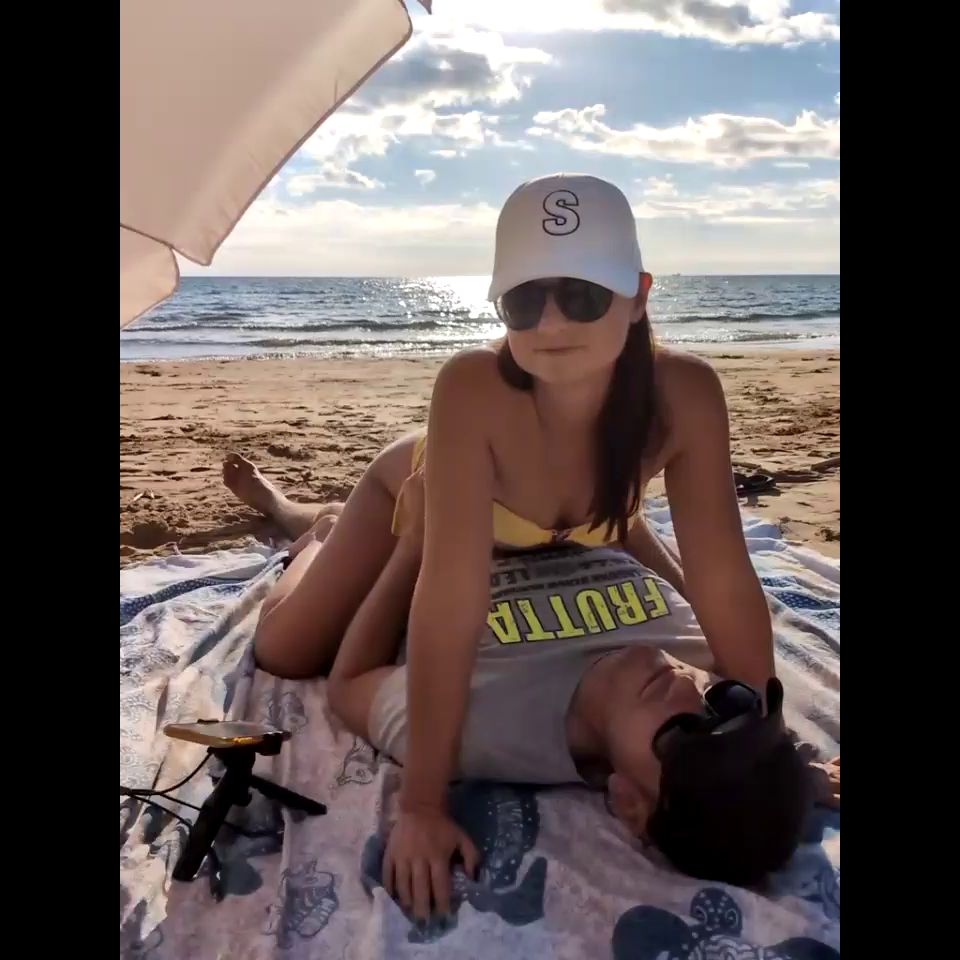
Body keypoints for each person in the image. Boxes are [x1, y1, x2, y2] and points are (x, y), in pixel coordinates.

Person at [246, 173, 779, 917]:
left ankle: (313, 524)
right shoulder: (473, 389)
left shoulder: (683, 394)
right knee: (285, 651)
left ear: (639, 294)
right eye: (525, 300)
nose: (552, 320)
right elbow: (450, 603)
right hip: (416, 499)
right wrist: (422, 805)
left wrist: (760, 744)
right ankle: (308, 525)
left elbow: (721, 575)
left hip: (557, 524)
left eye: (582, 293)